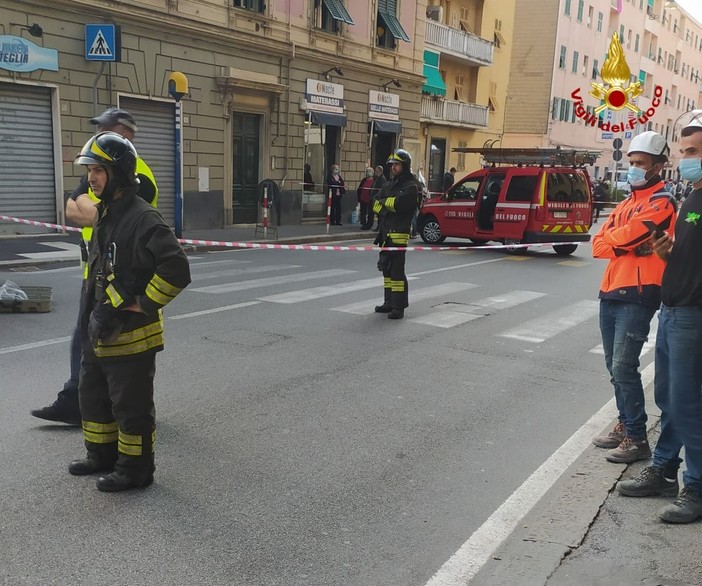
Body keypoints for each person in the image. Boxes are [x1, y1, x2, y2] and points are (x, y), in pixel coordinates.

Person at [68, 131, 191, 492]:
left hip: (132, 335)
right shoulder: (106, 213)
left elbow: (177, 270)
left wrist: (143, 303)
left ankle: (135, 471)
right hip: (101, 327)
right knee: (93, 397)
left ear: (119, 172)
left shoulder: (144, 218)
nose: (91, 177)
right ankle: (101, 456)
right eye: (90, 169)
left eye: (99, 170)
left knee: (130, 409)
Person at [30, 108, 158, 426]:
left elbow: (97, 212)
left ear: (123, 135)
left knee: (119, 351)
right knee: (87, 342)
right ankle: (86, 406)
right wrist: (92, 206)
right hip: (95, 273)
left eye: (104, 130)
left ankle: (121, 414)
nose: (96, 136)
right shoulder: (99, 171)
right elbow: (72, 209)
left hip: (123, 277)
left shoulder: (138, 175)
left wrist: (91, 207)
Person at [616, 111, 702, 523]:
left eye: (696, 151)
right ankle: (665, 469)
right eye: (686, 150)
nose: (689, 158)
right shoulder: (692, 197)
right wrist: (667, 252)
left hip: (693, 314)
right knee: (669, 399)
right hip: (673, 311)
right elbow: (685, 258)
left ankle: (697, 487)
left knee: (687, 404)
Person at [591, 130, 677, 464]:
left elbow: (628, 236)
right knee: (614, 367)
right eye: (632, 162)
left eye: (641, 163)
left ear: (658, 166)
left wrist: (623, 242)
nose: (635, 168)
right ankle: (625, 423)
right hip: (611, 289)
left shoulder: (662, 202)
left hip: (639, 293)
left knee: (623, 366)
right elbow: (599, 244)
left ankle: (636, 438)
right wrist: (626, 245)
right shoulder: (627, 203)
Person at [372, 149, 420, 320]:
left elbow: (400, 205)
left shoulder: (411, 186)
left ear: (405, 166)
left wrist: (385, 204)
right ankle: (388, 302)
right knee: (386, 270)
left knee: (397, 273)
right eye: (392, 165)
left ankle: (398, 307)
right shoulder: (389, 184)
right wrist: (386, 206)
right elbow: (375, 202)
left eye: (397, 165)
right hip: (385, 234)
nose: (393, 168)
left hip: (398, 235)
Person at [369, 165, 387, 231]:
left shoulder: (382, 179)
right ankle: (379, 227)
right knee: (377, 213)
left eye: (376, 170)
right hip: (375, 198)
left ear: (380, 171)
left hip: (379, 199)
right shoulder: (378, 178)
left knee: (379, 214)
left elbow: (381, 190)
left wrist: (377, 197)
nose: (375, 172)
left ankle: (380, 227)